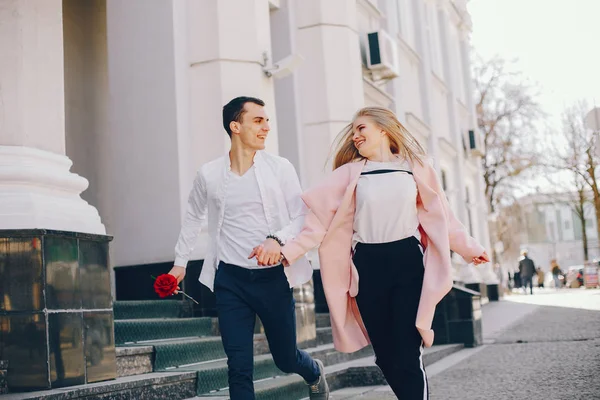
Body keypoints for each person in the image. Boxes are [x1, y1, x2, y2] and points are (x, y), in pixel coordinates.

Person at [252, 107, 489, 399]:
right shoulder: (351, 173)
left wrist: (468, 248)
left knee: (407, 350)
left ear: (383, 129)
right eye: (353, 131)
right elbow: (316, 222)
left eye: (361, 128)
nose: (355, 136)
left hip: (408, 263)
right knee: (386, 355)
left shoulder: (415, 167)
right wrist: (287, 250)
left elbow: (442, 216)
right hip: (368, 266)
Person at [168, 96, 329, 400]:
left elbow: (300, 216)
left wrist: (277, 240)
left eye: (267, 121)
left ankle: (313, 372)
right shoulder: (209, 174)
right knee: (239, 366)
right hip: (231, 280)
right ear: (235, 126)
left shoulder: (279, 168)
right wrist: (180, 263)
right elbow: (193, 217)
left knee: (285, 358)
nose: (266, 127)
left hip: (272, 279)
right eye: (258, 121)